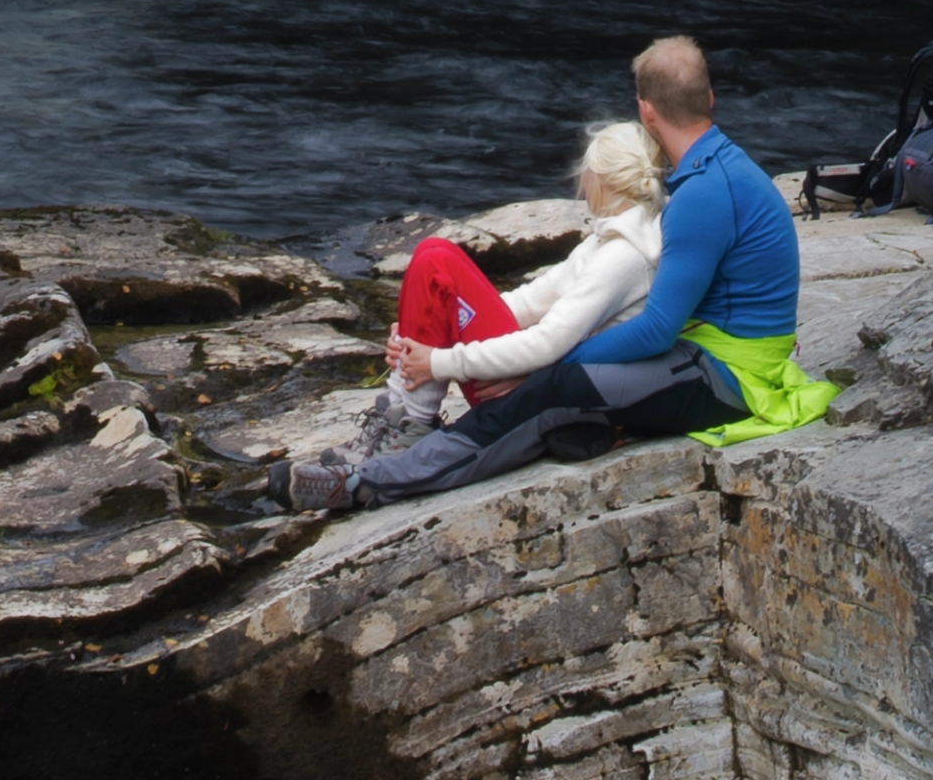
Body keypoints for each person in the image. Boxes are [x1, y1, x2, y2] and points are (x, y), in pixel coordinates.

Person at [274, 35, 835, 512]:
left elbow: (659, 330)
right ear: (710, 98)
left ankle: (365, 484)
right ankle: (447, 441)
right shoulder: (726, 169)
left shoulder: (704, 194)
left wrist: (549, 364)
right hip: (720, 358)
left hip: (730, 380)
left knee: (555, 388)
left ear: (646, 111)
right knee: (557, 386)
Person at [323, 122, 670, 469]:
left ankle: (412, 423)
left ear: (602, 179)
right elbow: (529, 301)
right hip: (532, 380)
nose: (583, 181)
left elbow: (548, 343)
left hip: (535, 398)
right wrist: (433, 324)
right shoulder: (607, 240)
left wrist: (437, 361)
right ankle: (400, 415)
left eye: (588, 172)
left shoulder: (623, 257)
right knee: (433, 252)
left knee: (437, 259)